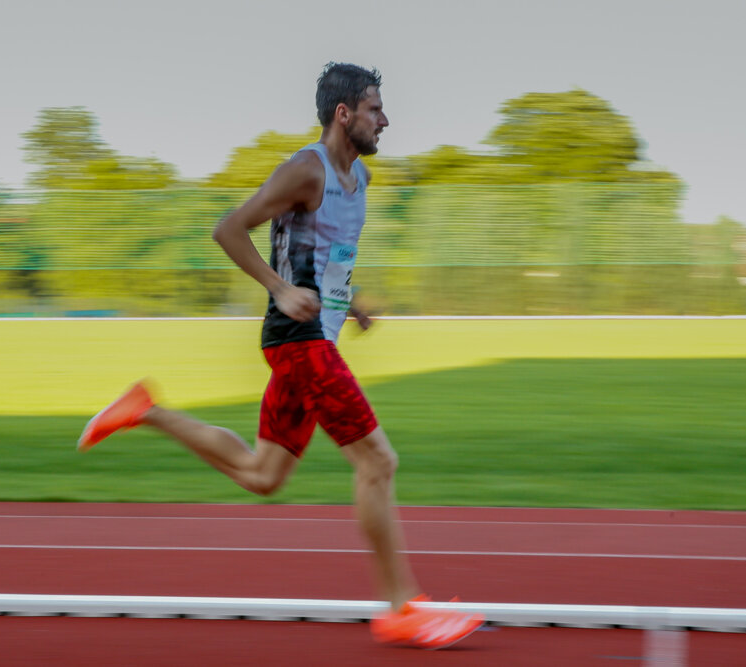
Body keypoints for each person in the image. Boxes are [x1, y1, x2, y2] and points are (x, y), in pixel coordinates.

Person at [77, 62, 483, 649]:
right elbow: (229, 228)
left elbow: (327, 257)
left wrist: (353, 301)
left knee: (263, 474)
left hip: (315, 338)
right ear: (344, 114)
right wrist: (278, 288)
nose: (385, 119)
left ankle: (145, 410)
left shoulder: (359, 179)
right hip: (300, 341)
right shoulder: (304, 170)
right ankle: (401, 607)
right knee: (378, 463)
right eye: (374, 108)